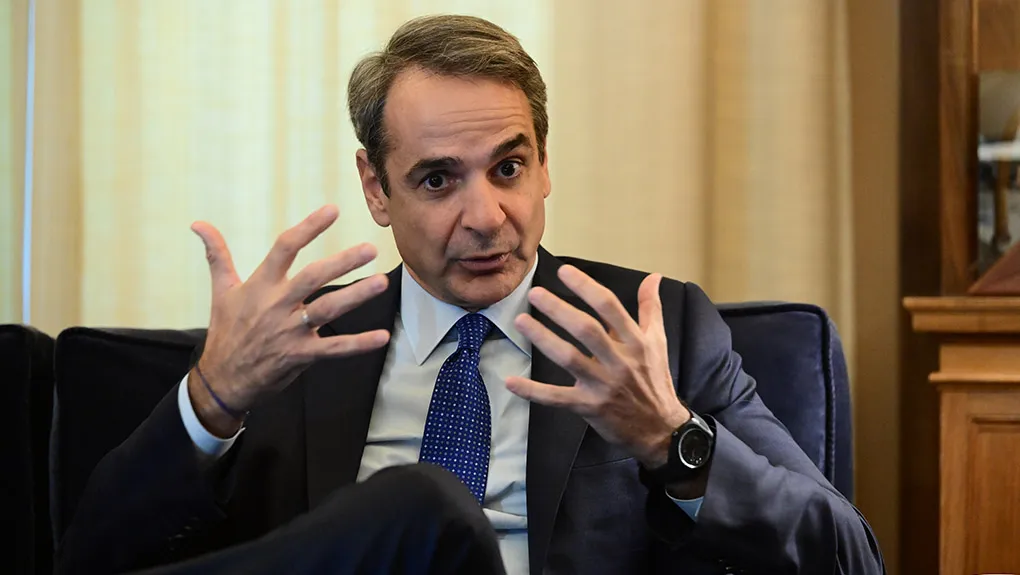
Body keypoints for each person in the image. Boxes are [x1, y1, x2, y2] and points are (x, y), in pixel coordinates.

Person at [56, 14, 885, 575]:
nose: (485, 216)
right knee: (419, 508)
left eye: (509, 167)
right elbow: (91, 552)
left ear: (546, 165)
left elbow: (849, 556)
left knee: (426, 503)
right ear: (376, 189)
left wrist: (669, 440)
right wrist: (211, 397)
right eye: (437, 179)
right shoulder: (302, 346)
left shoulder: (655, 330)